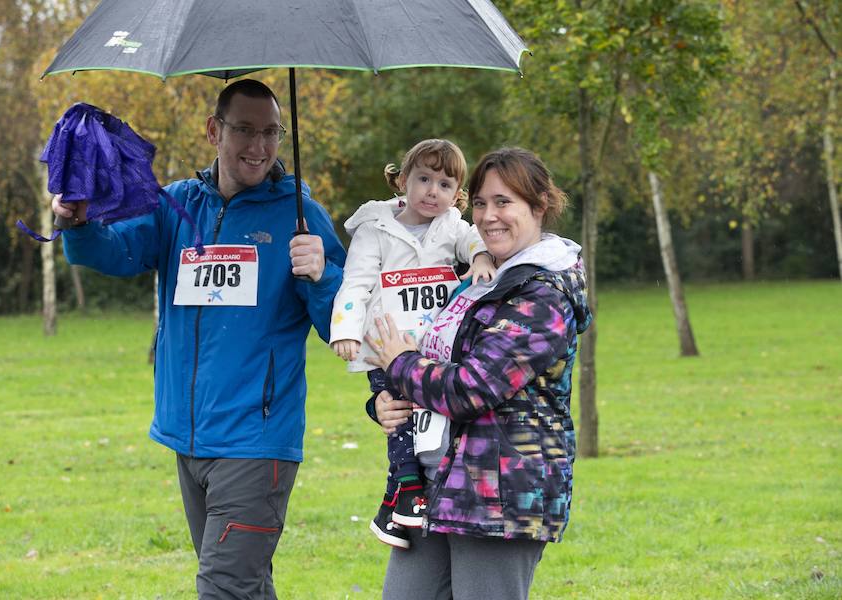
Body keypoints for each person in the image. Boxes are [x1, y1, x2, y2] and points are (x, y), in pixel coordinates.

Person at [51, 79, 346, 599]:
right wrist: (78, 224)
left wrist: (322, 276)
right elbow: (117, 251)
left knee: (223, 588)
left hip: (256, 444)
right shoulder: (177, 204)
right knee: (246, 586)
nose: (259, 146)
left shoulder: (299, 216)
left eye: (271, 132)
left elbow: (342, 322)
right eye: (245, 130)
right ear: (214, 130)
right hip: (187, 439)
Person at [366, 147, 592, 599]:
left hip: (500, 495)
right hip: (439, 483)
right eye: (483, 202)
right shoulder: (477, 277)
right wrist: (386, 402)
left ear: (539, 205)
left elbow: (470, 388)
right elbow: (436, 355)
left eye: (505, 202)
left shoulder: (544, 295)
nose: (490, 216)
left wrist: (401, 364)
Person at [328, 139, 496, 550]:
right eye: (423, 179)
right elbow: (356, 282)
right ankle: (407, 488)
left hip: (433, 349)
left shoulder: (452, 226)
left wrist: (480, 258)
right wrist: (345, 329)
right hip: (386, 343)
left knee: (430, 425)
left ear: (457, 195)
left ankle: (393, 511)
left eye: (444, 184)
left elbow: (475, 240)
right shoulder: (375, 231)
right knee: (399, 416)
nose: (431, 191)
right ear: (402, 181)